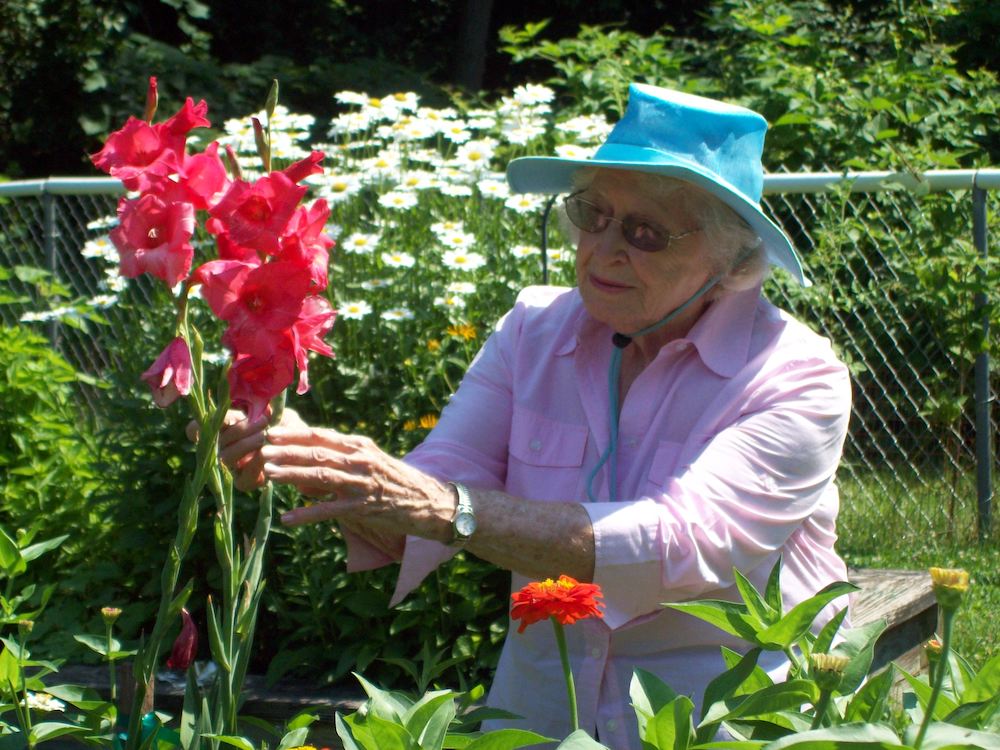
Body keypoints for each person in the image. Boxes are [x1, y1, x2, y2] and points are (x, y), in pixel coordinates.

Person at [217, 83, 852, 748]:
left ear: (732, 260)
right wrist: (322, 465)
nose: (604, 248)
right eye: (591, 213)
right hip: (543, 719)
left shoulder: (794, 376)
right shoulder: (533, 330)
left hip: (716, 721)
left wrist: (447, 508)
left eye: (644, 232)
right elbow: (430, 492)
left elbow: (682, 546)